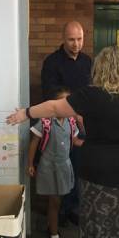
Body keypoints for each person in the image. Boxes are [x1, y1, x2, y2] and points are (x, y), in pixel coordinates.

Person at [7, 46, 119, 238]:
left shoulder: (93, 95)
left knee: (99, 228)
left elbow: (55, 107)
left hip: (101, 176)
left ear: (100, 69)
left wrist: (26, 112)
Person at [40, 20, 92, 226]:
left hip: (83, 125)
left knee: (78, 167)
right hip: (59, 124)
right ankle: (58, 212)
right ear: (63, 38)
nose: (76, 44)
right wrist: (73, 113)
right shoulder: (52, 62)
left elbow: (92, 91)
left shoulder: (88, 61)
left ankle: (73, 208)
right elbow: (49, 95)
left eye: (79, 39)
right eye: (71, 39)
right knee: (61, 167)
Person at [27, 87, 83, 238]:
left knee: (60, 199)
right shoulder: (45, 122)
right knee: (54, 201)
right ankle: (54, 236)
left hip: (65, 166)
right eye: (63, 103)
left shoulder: (71, 123)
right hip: (49, 166)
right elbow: (34, 143)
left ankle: (52, 227)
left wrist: (92, 142)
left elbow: (75, 140)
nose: (67, 107)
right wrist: (30, 163)